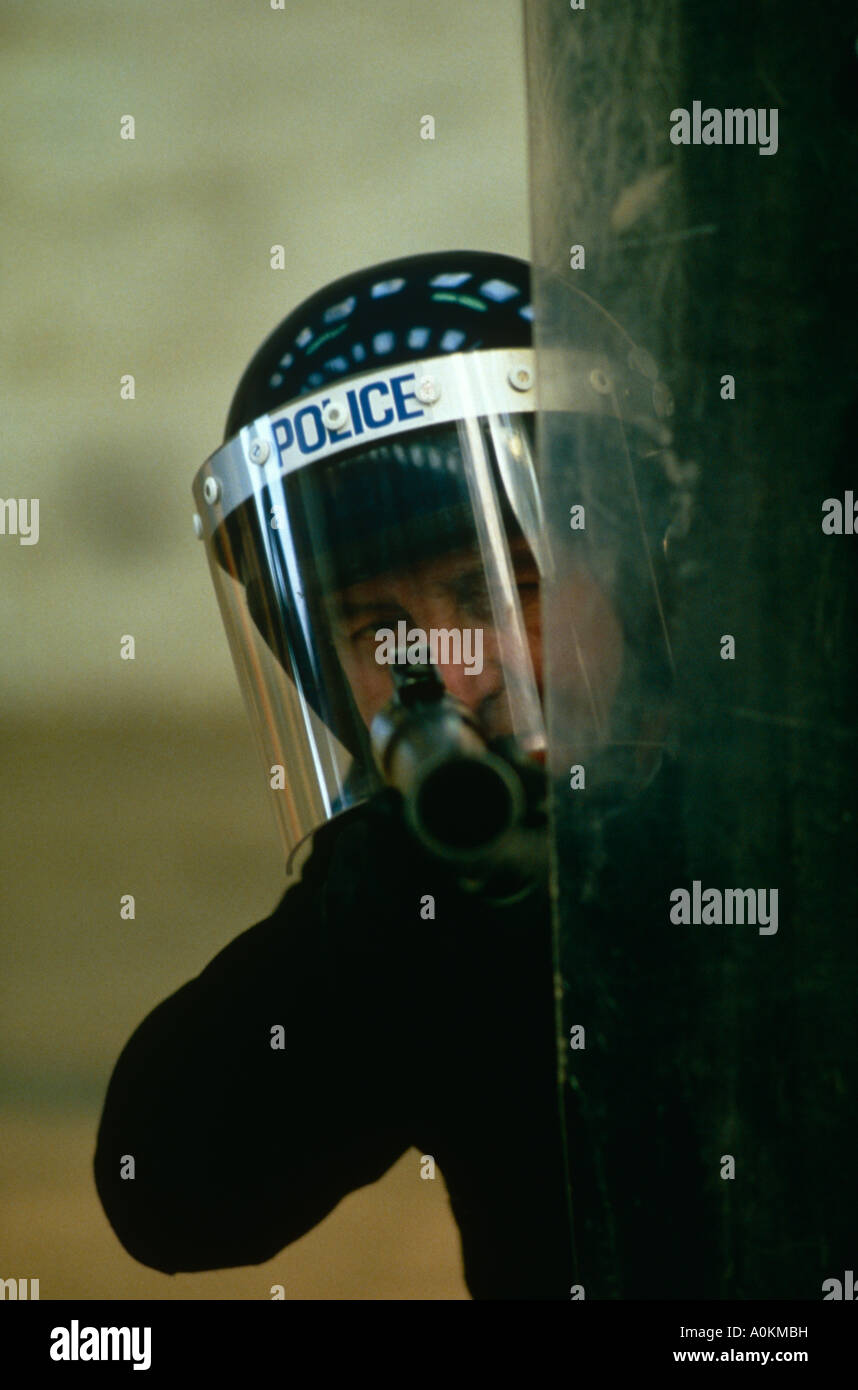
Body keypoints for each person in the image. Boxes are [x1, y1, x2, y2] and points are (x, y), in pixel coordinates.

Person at [93, 251, 679, 1299]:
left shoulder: (803, 811)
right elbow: (170, 1192)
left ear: (637, 569)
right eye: (380, 628)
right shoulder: (433, 887)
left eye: (501, 588)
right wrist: (394, 915)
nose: (452, 672)